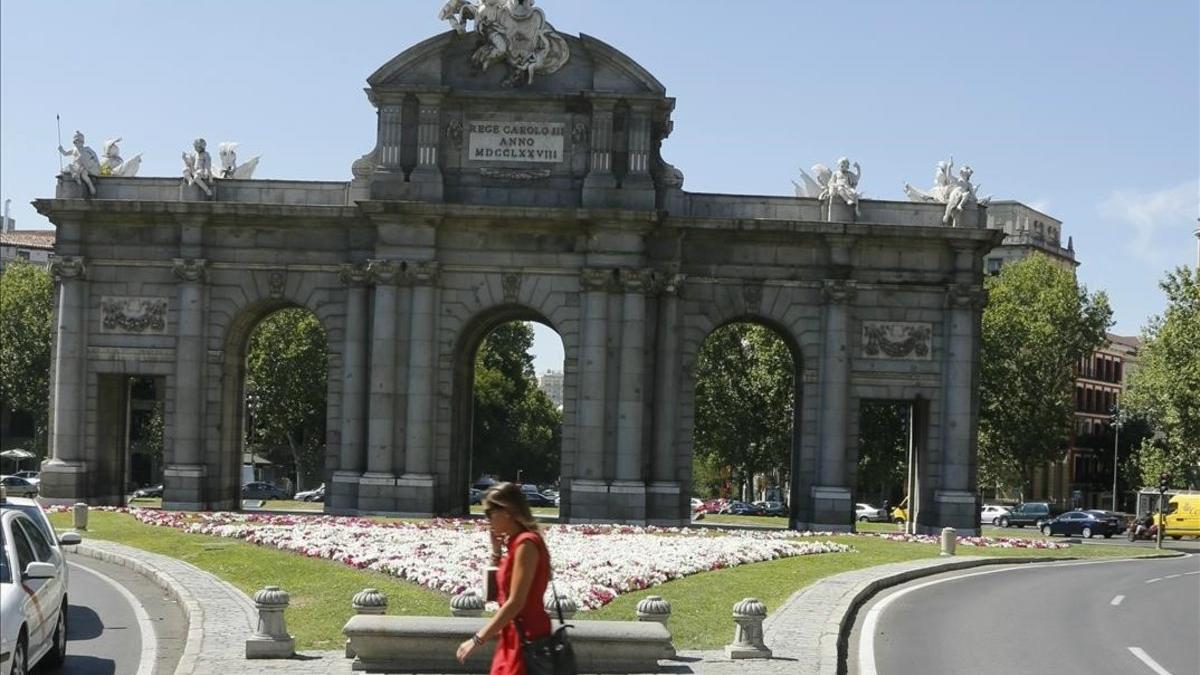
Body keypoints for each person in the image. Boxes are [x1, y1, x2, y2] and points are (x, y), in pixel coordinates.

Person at [456, 482, 552, 673]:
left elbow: (516, 602)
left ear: (507, 511)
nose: (487, 520)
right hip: (513, 635)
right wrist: (496, 552)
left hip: (528, 639)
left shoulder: (526, 544)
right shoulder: (515, 544)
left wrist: (477, 639)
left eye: (489, 513)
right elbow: (497, 592)